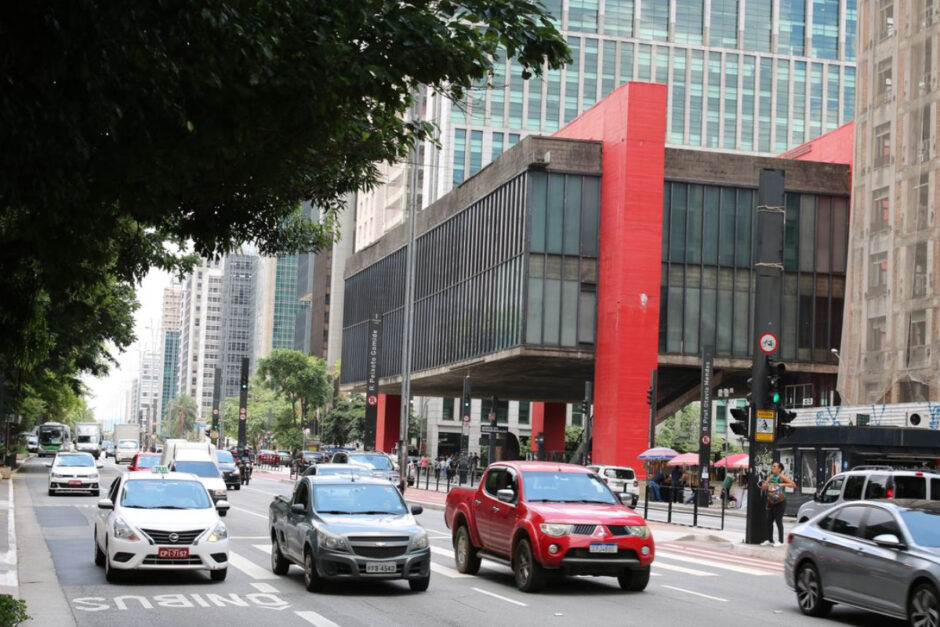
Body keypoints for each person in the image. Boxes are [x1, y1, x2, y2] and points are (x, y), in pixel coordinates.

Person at [762, 461, 796, 545]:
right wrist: (765, 485)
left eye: (774, 467)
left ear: (779, 469)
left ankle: (780, 541)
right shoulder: (771, 476)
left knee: (778, 521)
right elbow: (764, 487)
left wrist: (782, 484)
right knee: (769, 521)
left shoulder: (781, 476)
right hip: (771, 501)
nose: (773, 468)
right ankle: (770, 540)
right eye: (772, 466)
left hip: (780, 501)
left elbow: (793, 484)